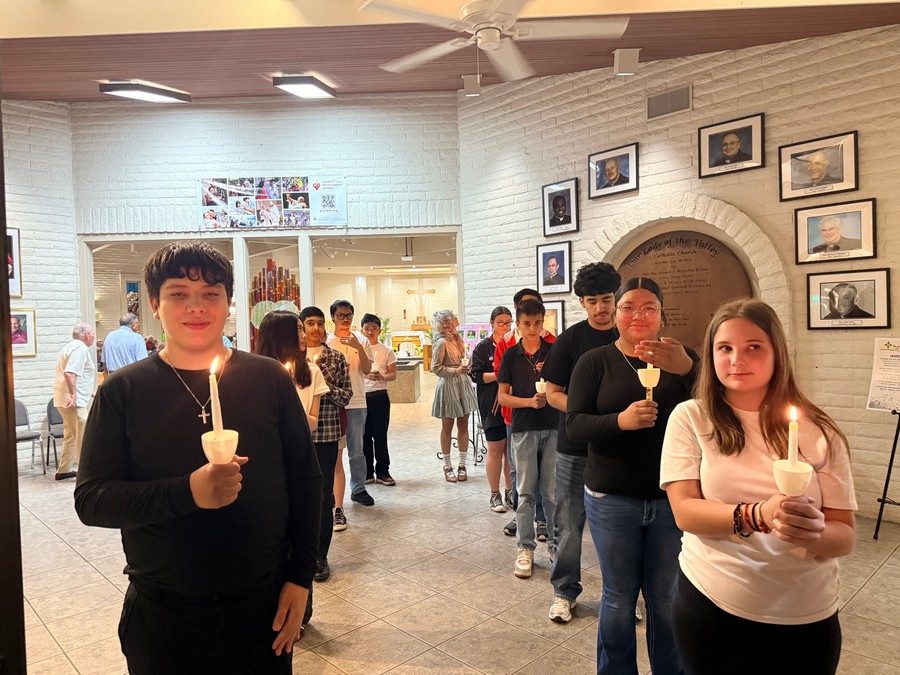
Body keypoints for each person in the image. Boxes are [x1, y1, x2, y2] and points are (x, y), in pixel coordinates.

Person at [74, 241, 322, 674]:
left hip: (261, 605)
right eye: (178, 294)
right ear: (154, 303)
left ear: (228, 303)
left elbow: (305, 481)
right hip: (163, 612)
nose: (196, 307)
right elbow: (92, 500)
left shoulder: (268, 379)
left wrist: (301, 578)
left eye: (211, 293)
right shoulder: (123, 391)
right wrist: (187, 491)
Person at [660, 299, 857, 675]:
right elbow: (685, 512)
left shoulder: (820, 431)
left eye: (753, 347)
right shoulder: (692, 417)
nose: (737, 360)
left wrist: (812, 532)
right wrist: (758, 514)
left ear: (776, 352)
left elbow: (844, 536)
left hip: (804, 613)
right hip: (713, 602)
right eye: (725, 348)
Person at [566, 276, 698, 675]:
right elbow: (575, 425)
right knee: (619, 596)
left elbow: (717, 409)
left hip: (671, 497)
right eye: (628, 307)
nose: (638, 315)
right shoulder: (595, 362)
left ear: (662, 314)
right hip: (612, 496)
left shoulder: (682, 359)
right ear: (616, 314)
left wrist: (688, 369)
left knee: (666, 597)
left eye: (648, 308)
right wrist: (619, 421)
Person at [541, 261, 620, 623]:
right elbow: (552, 393)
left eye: (607, 299)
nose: (601, 308)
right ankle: (564, 592)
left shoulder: (628, 337)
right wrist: (585, 411)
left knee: (618, 528)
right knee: (568, 525)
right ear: (582, 303)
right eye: (593, 301)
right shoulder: (570, 340)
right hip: (574, 448)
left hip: (619, 447)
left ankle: (620, 595)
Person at [498, 298, 558, 579]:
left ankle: (556, 546)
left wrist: (552, 398)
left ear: (543, 322)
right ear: (518, 325)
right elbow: (503, 397)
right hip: (523, 428)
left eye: (537, 323)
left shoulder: (554, 351)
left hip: (553, 426)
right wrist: (528, 402)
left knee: (552, 492)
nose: (532, 329)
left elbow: (565, 386)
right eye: (526, 324)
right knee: (525, 492)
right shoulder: (511, 355)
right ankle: (525, 547)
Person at [301, 306, 351, 576]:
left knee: (322, 496)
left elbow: (346, 396)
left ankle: (320, 557)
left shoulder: (336, 357)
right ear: (301, 327)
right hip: (296, 433)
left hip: (326, 432)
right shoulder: (291, 358)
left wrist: (323, 385)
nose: (316, 328)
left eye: (320, 323)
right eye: (310, 323)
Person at [328, 300, 375, 508]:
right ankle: (332, 491)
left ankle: (358, 489)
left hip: (356, 401)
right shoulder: (327, 341)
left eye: (348, 315)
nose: (345, 319)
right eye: (341, 315)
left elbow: (367, 369)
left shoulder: (362, 340)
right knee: (333, 451)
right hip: (333, 402)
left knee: (356, 450)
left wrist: (357, 346)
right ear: (333, 318)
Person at [471, 306, 514, 512]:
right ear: (492, 323)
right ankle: (494, 494)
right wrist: (501, 374)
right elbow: (477, 376)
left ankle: (510, 492)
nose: (505, 326)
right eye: (500, 323)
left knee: (511, 452)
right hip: (491, 404)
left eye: (508, 323)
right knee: (496, 449)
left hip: (512, 404)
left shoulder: (515, 344)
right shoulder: (483, 347)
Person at [431, 309, 478, 482]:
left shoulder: (457, 339)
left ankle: (462, 465)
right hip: (449, 385)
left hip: (462, 384)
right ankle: (447, 465)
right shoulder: (441, 343)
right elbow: (435, 368)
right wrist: (455, 370)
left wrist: (468, 363)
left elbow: (463, 359)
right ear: (442, 326)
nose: (451, 327)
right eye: (447, 325)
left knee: (463, 425)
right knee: (447, 426)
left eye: (452, 323)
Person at [52, 323, 97, 481]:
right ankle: (86, 472)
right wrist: (73, 395)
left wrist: (89, 392)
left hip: (64, 398)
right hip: (74, 402)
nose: (94, 336)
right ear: (86, 335)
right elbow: (70, 372)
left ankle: (64, 469)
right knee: (83, 435)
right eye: (92, 333)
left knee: (71, 434)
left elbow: (78, 376)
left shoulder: (69, 347)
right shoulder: (80, 349)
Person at [361, 313, 397, 486]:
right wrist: (365, 375)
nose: (370, 331)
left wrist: (382, 376)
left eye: (374, 328)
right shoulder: (357, 349)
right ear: (361, 330)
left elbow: (393, 374)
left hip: (379, 396)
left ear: (380, 331)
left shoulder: (386, 350)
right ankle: (367, 471)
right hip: (361, 397)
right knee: (364, 436)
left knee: (380, 435)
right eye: (367, 328)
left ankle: (383, 471)